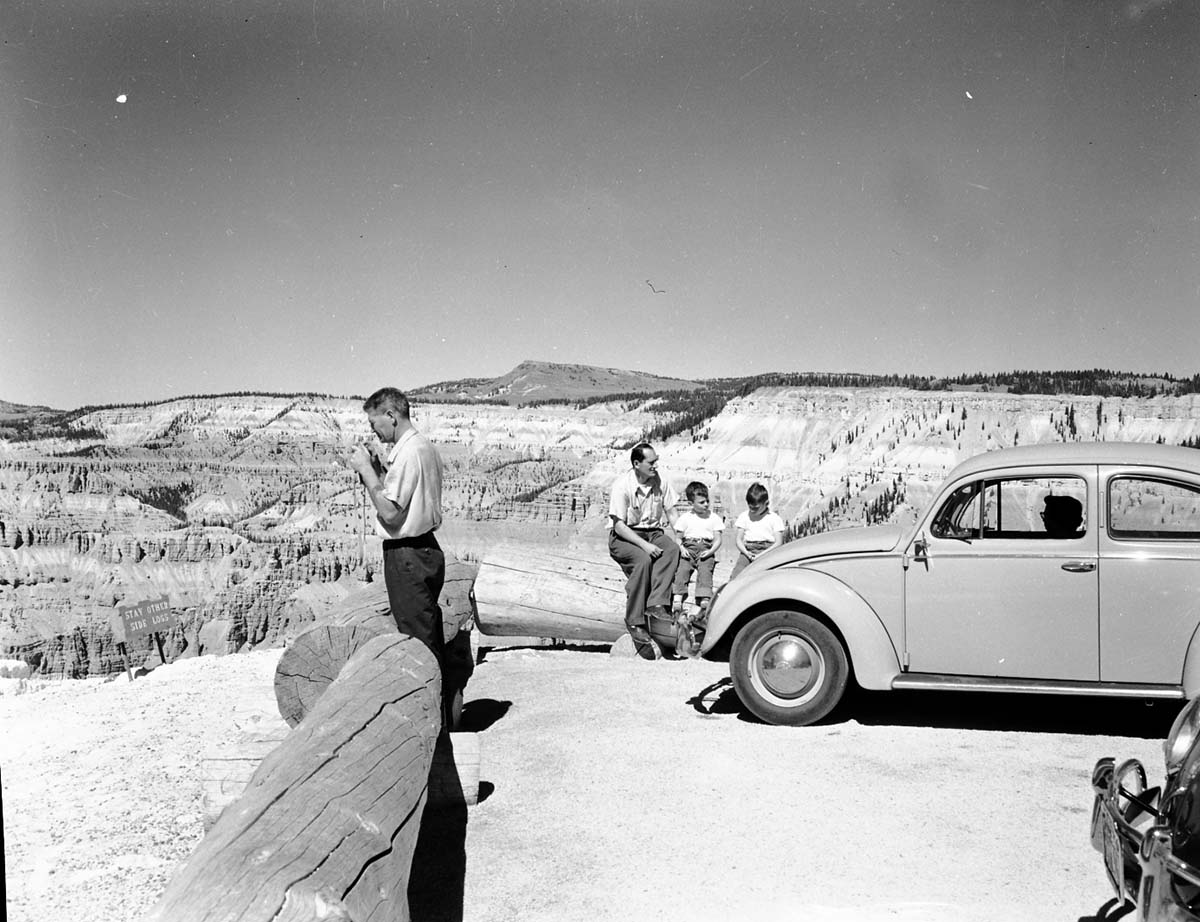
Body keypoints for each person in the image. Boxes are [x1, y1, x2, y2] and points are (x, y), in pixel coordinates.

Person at [343, 387, 451, 718]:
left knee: (417, 642)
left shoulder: (407, 453)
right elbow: (405, 492)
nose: (375, 431)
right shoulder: (423, 447)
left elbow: (391, 513)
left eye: (376, 423)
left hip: (407, 556)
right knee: (427, 630)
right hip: (426, 550)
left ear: (391, 415)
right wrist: (378, 470)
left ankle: (430, 718)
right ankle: (442, 712)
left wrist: (365, 471)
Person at [608, 442, 681, 659]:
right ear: (637, 463)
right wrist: (645, 546)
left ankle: (657, 603)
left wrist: (679, 536)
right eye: (651, 462)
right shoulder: (622, 486)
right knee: (643, 561)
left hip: (653, 532)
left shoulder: (661, 482)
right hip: (626, 536)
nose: (655, 466)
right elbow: (618, 525)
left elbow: (672, 511)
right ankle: (634, 621)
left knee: (671, 550)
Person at [671, 481, 724, 656]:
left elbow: (718, 538)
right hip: (689, 547)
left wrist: (711, 551)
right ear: (691, 503)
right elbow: (678, 537)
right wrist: (682, 549)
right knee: (683, 569)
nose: (706, 504)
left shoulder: (713, 518)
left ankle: (703, 598)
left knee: (705, 571)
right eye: (701, 502)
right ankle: (678, 595)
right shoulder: (686, 518)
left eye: (706, 501)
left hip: (706, 548)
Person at [731, 482, 785, 578]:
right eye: (750, 507)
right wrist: (746, 553)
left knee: (766, 578)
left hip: (768, 550)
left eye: (756, 508)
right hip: (748, 550)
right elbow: (738, 539)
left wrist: (760, 555)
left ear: (766, 503)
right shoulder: (744, 516)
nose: (752, 511)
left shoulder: (774, 518)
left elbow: (778, 542)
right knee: (736, 576)